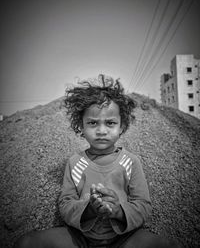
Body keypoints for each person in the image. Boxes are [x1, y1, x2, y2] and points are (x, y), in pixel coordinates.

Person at [14, 74, 181, 248]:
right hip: (81, 239)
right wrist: (89, 209)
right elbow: (66, 204)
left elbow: (143, 205)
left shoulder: (131, 162)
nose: (101, 130)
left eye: (110, 123)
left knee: (166, 245)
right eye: (93, 123)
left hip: (123, 239)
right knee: (26, 243)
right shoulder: (75, 162)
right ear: (81, 126)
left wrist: (117, 210)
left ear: (122, 126)